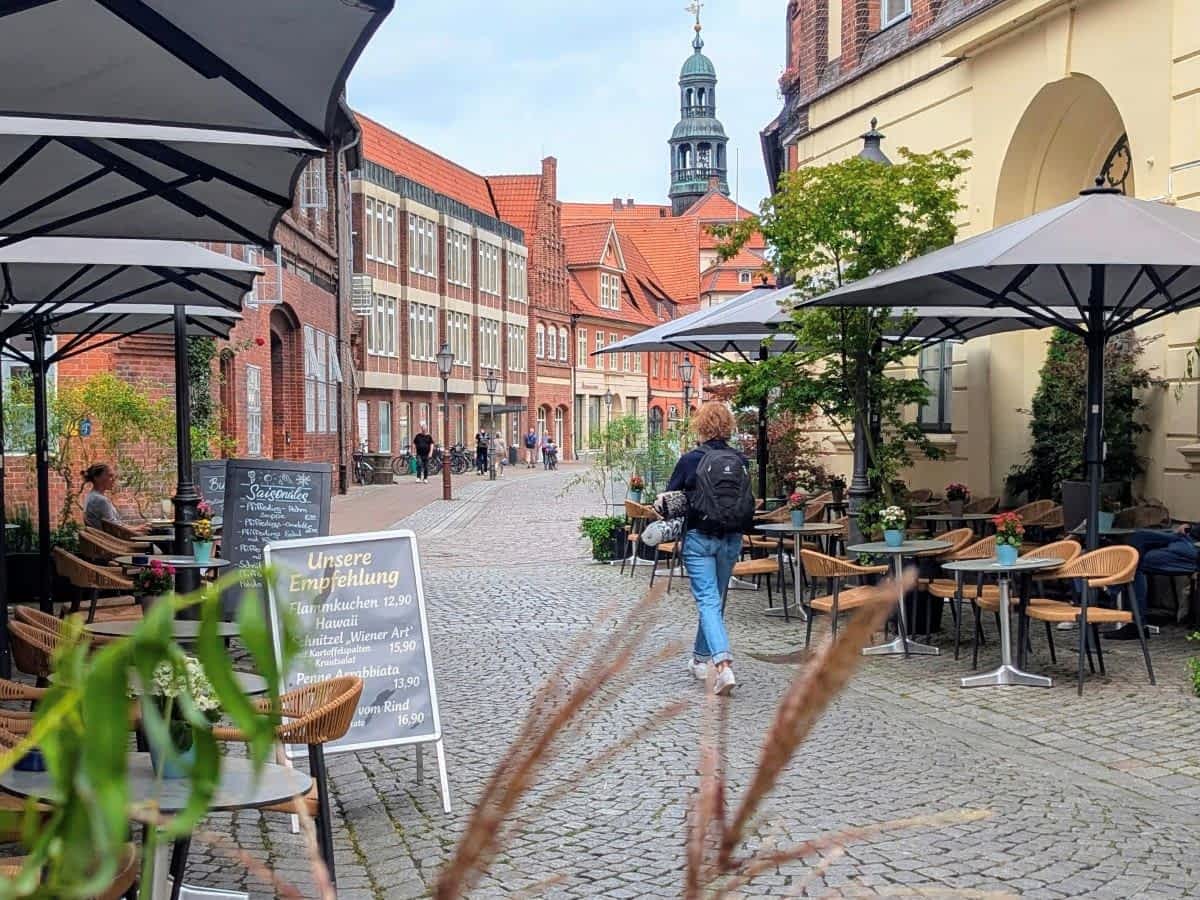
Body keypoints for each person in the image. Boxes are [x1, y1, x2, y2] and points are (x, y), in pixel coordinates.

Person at [666, 402, 755, 697]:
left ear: (700, 426)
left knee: (707, 601)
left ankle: (723, 666)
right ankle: (699, 659)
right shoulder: (740, 460)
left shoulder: (690, 460)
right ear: (728, 426)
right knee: (715, 600)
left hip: (699, 538)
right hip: (731, 538)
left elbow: (670, 498)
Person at [1106, 524, 1199, 639]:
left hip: (1192, 545)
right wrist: (1190, 527)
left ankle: (1113, 589)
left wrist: (1192, 529)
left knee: (1135, 558)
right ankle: (1135, 623)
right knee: (1138, 546)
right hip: (1187, 538)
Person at [82, 462, 147, 532]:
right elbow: (114, 528)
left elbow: (116, 524)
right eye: (110, 476)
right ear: (96, 478)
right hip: (111, 538)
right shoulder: (100, 500)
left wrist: (137, 527)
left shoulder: (91, 496)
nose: (113, 479)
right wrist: (138, 529)